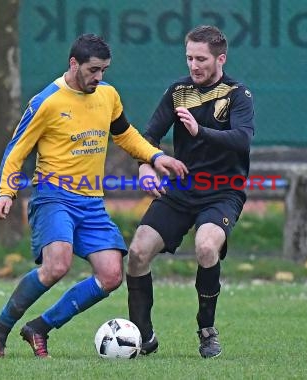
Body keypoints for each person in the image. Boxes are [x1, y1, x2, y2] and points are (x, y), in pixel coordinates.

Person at [0, 33, 187, 359]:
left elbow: (125, 135)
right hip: (54, 196)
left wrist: (155, 157)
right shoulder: (46, 101)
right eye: (93, 70)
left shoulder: (107, 96)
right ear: (73, 63)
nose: (99, 77)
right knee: (56, 265)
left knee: (110, 275)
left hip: (90, 201)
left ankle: (40, 328)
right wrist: (6, 192)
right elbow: (16, 150)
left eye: (104, 70)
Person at [126, 25, 255, 358]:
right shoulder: (177, 92)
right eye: (189, 58)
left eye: (201, 59)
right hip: (181, 189)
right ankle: (142, 336)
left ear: (220, 58)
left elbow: (242, 138)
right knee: (138, 252)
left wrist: (202, 131)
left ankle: (206, 329)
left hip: (223, 190)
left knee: (206, 246)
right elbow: (147, 138)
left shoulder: (237, 94)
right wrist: (145, 168)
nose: (194, 65)